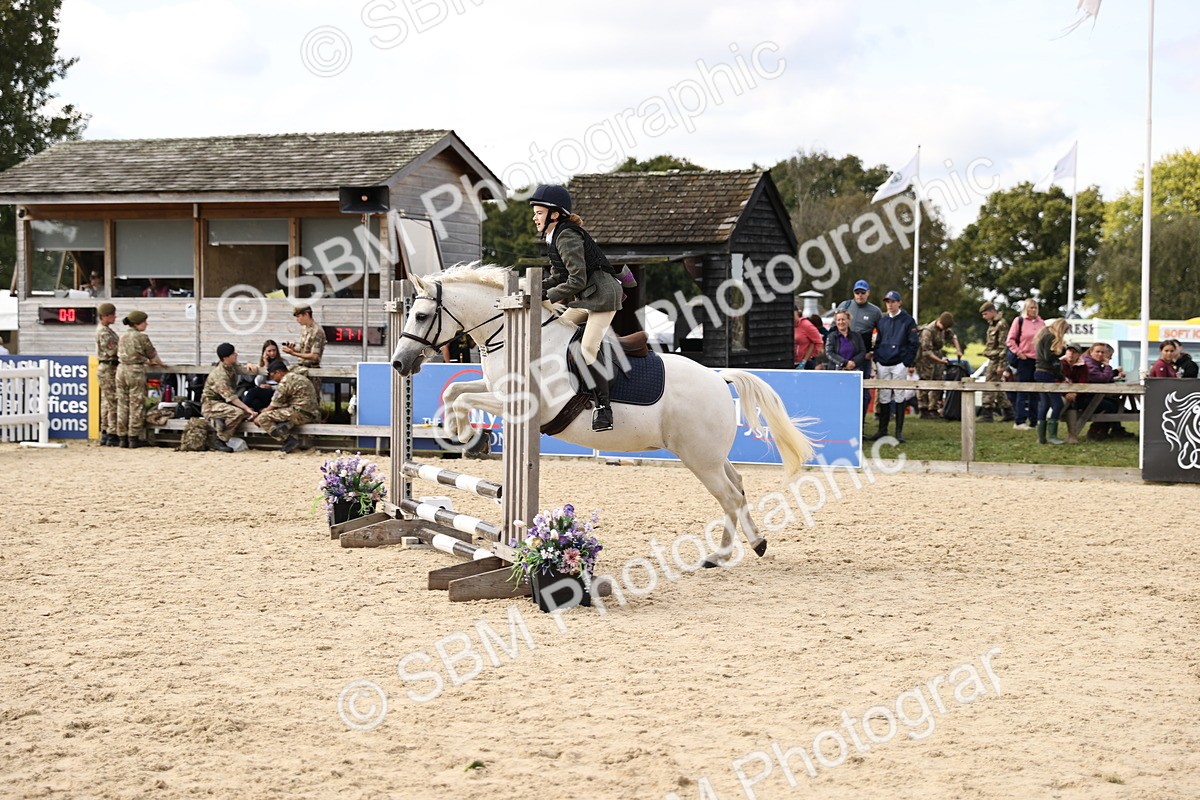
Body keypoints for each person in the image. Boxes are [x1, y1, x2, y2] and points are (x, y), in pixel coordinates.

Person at [529, 184, 624, 432]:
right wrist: (531, 290)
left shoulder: (567, 235)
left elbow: (576, 281)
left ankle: (604, 408)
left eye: (539, 212)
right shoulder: (554, 236)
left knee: (588, 347)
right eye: (536, 213)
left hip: (603, 297)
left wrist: (543, 296)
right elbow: (559, 275)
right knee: (557, 329)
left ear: (554, 214)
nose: (534, 217)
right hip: (588, 298)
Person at [870, 290, 920, 442]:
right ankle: (882, 430)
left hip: (899, 363)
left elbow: (914, 343)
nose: (890, 305)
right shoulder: (883, 321)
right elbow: (877, 342)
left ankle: (899, 432)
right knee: (884, 396)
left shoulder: (908, 320)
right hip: (883, 363)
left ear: (899, 303)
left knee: (899, 395)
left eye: (893, 301)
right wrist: (877, 358)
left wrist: (906, 362)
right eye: (887, 302)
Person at [115, 310, 166, 448]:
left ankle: (121, 437)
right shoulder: (142, 337)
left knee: (122, 404)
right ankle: (133, 437)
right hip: (135, 371)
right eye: (144, 322)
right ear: (137, 323)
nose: (146, 324)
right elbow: (152, 354)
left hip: (121, 370)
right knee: (136, 403)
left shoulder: (122, 336)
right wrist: (161, 364)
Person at [201, 343, 261, 453]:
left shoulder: (230, 365)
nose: (236, 354)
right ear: (225, 358)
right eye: (233, 353)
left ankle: (221, 431)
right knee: (238, 412)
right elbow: (231, 398)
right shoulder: (220, 375)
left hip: (223, 403)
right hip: (211, 405)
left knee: (248, 413)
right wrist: (246, 408)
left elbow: (241, 367)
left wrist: (250, 365)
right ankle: (220, 439)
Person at [255, 359, 319, 454]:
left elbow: (274, 404)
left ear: (278, 372)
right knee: (280, 414)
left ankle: (288, 440)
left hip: (299, 414)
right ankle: (285, 427)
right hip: (311, 413)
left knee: (263, 418)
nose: (273, 380)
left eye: (273, 376)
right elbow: (304, 369)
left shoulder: (285, 382)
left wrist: (259, 415)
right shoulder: (296, 373)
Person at [1006, 299, 1046, 431]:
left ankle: (1034, 421)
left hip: (1038, 360)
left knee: (1036, 392)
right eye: (1031, 308)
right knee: (1023, 391)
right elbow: (1010, 340)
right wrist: (1019, 353)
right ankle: (1019, 421)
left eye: (1035, 308)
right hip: (1024, 359)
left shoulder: (1042, 323)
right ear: (1026, 309)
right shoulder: (1019, 321)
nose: (1033, 310)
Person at [1032, 318, 1070, 445]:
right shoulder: (1050, 337)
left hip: (1041, 372)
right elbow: (1049, 357)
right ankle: (1052, 435)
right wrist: (1062, 350)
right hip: (1046, 373)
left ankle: (1041, 437)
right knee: (1057, 404)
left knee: (1045, 404)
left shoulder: (1044, 336)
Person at [915, 312, 960, 419]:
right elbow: (927, 352)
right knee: (925, 382)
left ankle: (933, 408)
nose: (944, 329)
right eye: (943, 327)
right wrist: (940, 361)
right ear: (939, 321)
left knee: (938, 382)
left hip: (937, 356)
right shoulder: (928, 331)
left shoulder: (943, 328)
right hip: (926, 359)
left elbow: (953, 336)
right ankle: (923, 408)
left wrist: (958, 349)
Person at [1082, 342, 1128, 440]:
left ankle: (1113, 430)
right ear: (1091, 352)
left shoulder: (1093, 363)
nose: (1100, 354)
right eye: (1097, 352)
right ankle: (1097, 432)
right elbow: (1101, 378)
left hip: (1090, 395)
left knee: (1115, 403)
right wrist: (1108, 366)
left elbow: (1104, 378)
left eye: (1102, 352)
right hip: (1085, 398)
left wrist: (1112, 372)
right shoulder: (1089, 364)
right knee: (1112, 406)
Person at [836, 280, 882, 377]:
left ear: (868, 293)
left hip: (863, 355)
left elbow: (882, 334)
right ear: (854, 293)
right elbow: (833, 329)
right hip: (844, 354)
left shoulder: (875, 311)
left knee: (863, 386)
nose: (860, 295)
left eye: (863, 292)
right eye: (857, 293)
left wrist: (873, 352)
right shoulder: (844, 306)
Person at [979, 301, 1012, 422]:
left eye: (985, 314)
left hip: (997, 360)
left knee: (989, 385)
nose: (984, 317)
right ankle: (1009, 412)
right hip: (993, 359)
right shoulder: (992, 324)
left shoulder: (1001, 324)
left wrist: (1001, 365)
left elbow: (1003, 346)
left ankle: (987, 414)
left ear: (992, 311)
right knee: (997, 387)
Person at [283, 305, 326, 400]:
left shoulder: (317, 331)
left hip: (312, 369)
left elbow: (314, 356)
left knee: (311, 399)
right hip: (302, 368)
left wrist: (293, 354)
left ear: (306, 314)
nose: (297, 320)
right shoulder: (304, 329)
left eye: (299, 316)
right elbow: (304, 349)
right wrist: (293, 349)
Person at [95, 302, 120, 446]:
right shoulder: (104, 332)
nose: (114, 317)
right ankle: (112, 433)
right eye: (112, 315)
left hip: (106, 367)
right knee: (112, 401)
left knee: (106, 401)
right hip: (109, 368)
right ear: (105, 316)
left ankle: (105, 431)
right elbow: (113, 350)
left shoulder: (105, 330)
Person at [242, 339, 281, 411]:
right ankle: (260, 411)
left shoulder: (283, 362)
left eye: (274, 350)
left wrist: (272, 387)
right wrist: (265, 365)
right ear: (264, 352)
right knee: (255, 402)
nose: (272, 353)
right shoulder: (262, 364)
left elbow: (286, 383)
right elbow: (258, 382)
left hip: (276, 391)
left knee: (252, 392)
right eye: (269, 351)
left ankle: (245, 410)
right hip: (263, 392)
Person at [824, 309, 866, 373]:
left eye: (843, 319)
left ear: (848, 320)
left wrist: (853, 362)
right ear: (835, 322)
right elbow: (829, 353)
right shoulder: (831, 336)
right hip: (836, 370)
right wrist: (845, 363)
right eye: (838, 320)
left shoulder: (857, 336)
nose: (841, 322)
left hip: (854, 369)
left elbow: (862, 352)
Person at [1059, 343, 1090, 415]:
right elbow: (1056, 380)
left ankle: (1074, 426)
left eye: (1074, 352)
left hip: (1077, 394)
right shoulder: (1058, 364)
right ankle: (1052, 422)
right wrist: (1065, 394)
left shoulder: (1083, 366)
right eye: (1069, 351)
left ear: (1079, 355)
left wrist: (1075, 393)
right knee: (1061, 404)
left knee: (1074, 406)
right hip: (1060, 393)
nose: (1071, 353)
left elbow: (1083, 382)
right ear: (1066, 352)